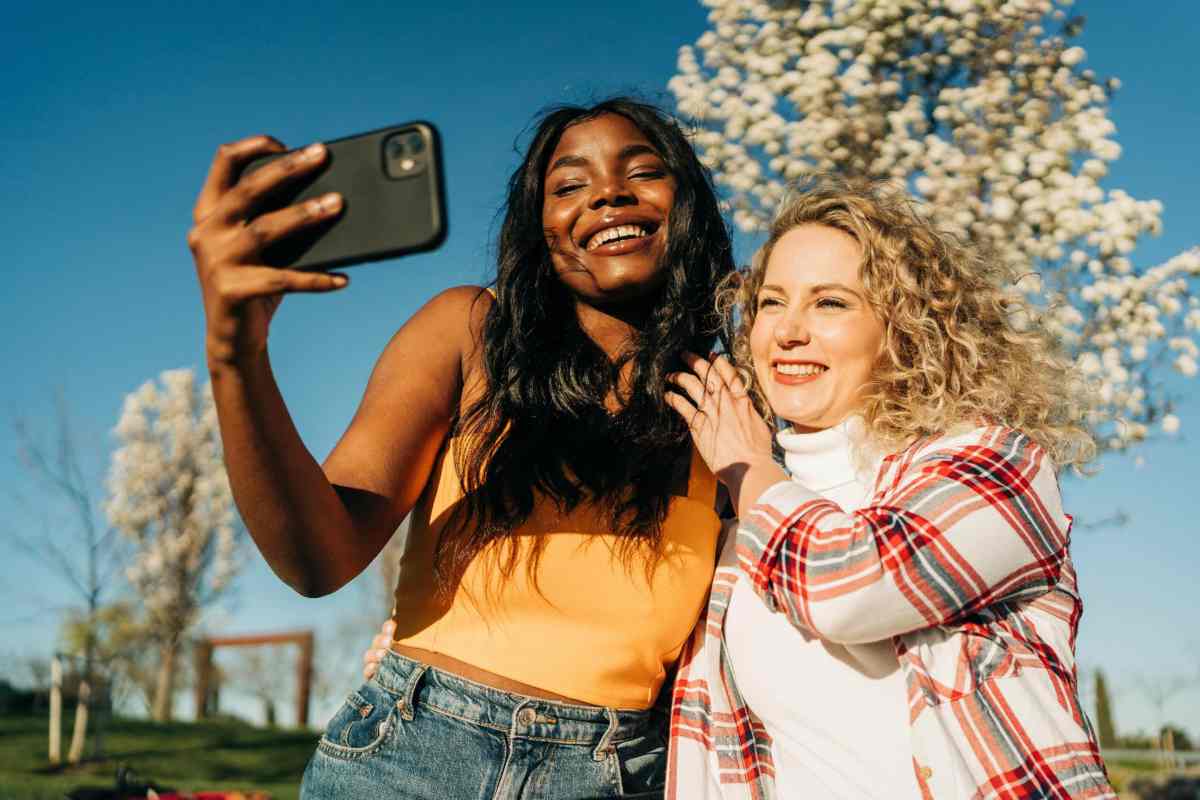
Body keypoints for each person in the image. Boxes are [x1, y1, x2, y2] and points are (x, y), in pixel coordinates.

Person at [186, 97, 734, 799]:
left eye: (644, 171)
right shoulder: (469, 330)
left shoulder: (728, 401)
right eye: (568, 185)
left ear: (687, 202)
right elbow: (317, 560)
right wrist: (237, 355)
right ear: (539, 228)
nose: (607, 193)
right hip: (410, 754)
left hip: (618, 769)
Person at [661, 177, 1114, 798]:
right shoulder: (741, 534)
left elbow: (846, 586)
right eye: (770, 302)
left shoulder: (996, 468)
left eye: (830, 303)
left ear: (902, 329)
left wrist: (747, 465)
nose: (788, 331)